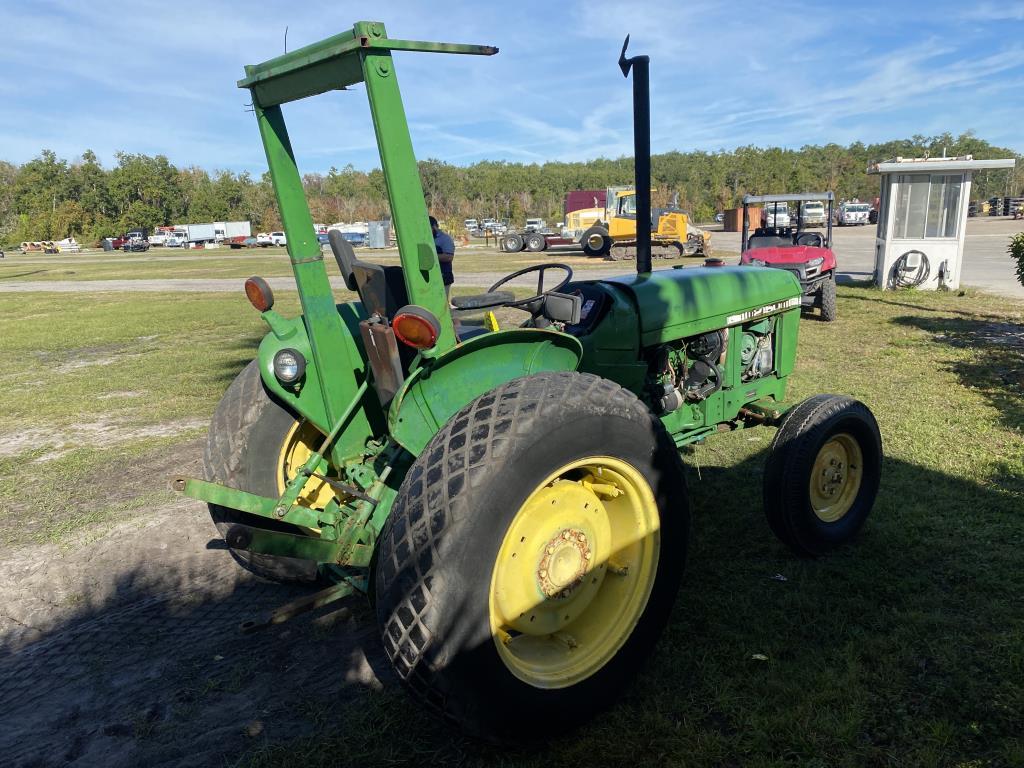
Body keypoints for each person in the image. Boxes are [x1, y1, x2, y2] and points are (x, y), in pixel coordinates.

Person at [430, 216, 455, 299]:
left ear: (434, 226)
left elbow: (449, 257)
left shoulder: (445, 239)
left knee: (443, 303)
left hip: (444, 277)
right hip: (430, 279)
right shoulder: (426, 238)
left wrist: (430, 257)